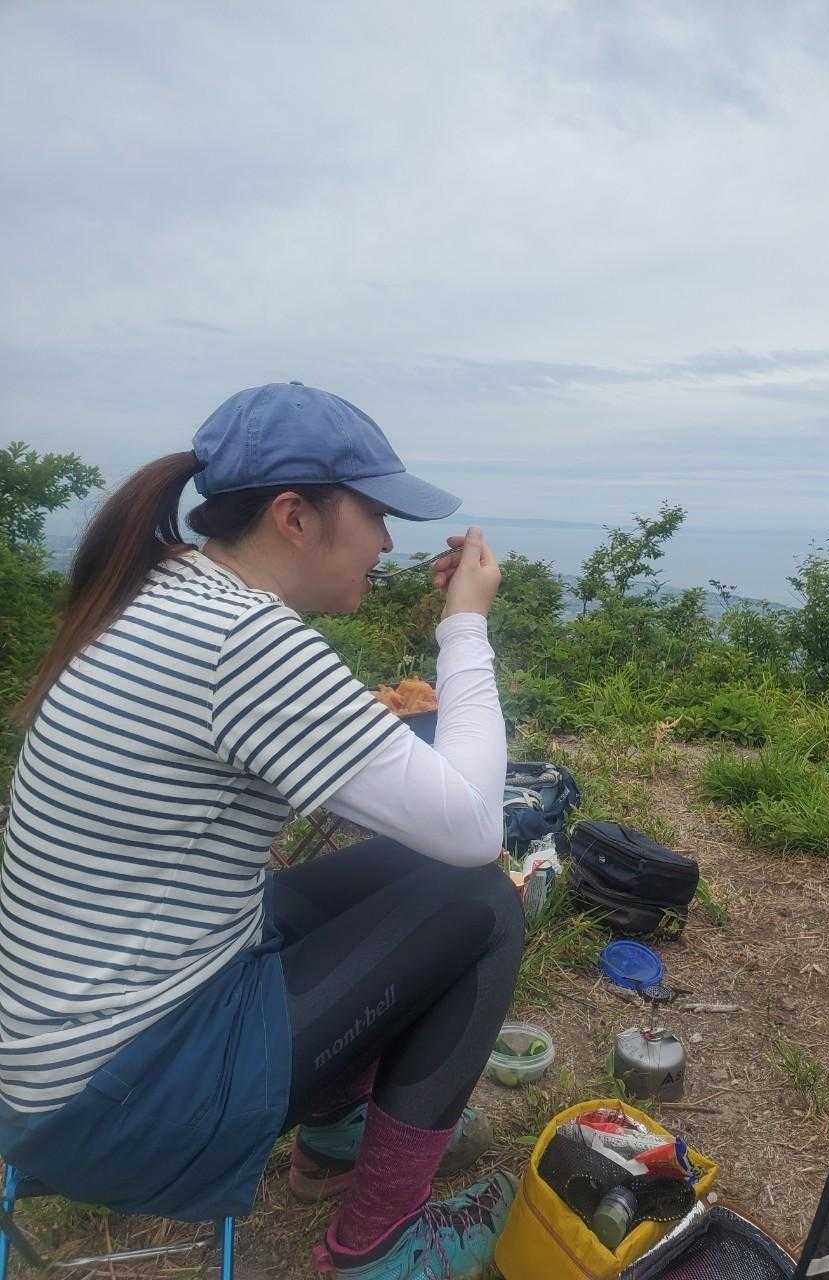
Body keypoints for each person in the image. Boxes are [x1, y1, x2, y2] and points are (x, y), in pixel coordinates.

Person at [0, 382, 526, 1279]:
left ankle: (335, 1136)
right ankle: (378, 1250)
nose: (388, 542)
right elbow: (476, 828)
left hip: (57, 1060)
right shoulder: (240, 640)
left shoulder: (165, 593)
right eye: (376, 514)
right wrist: (466, 624)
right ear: (295, 516)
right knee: (481, 900)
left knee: (409, 869)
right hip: (122, 1103)